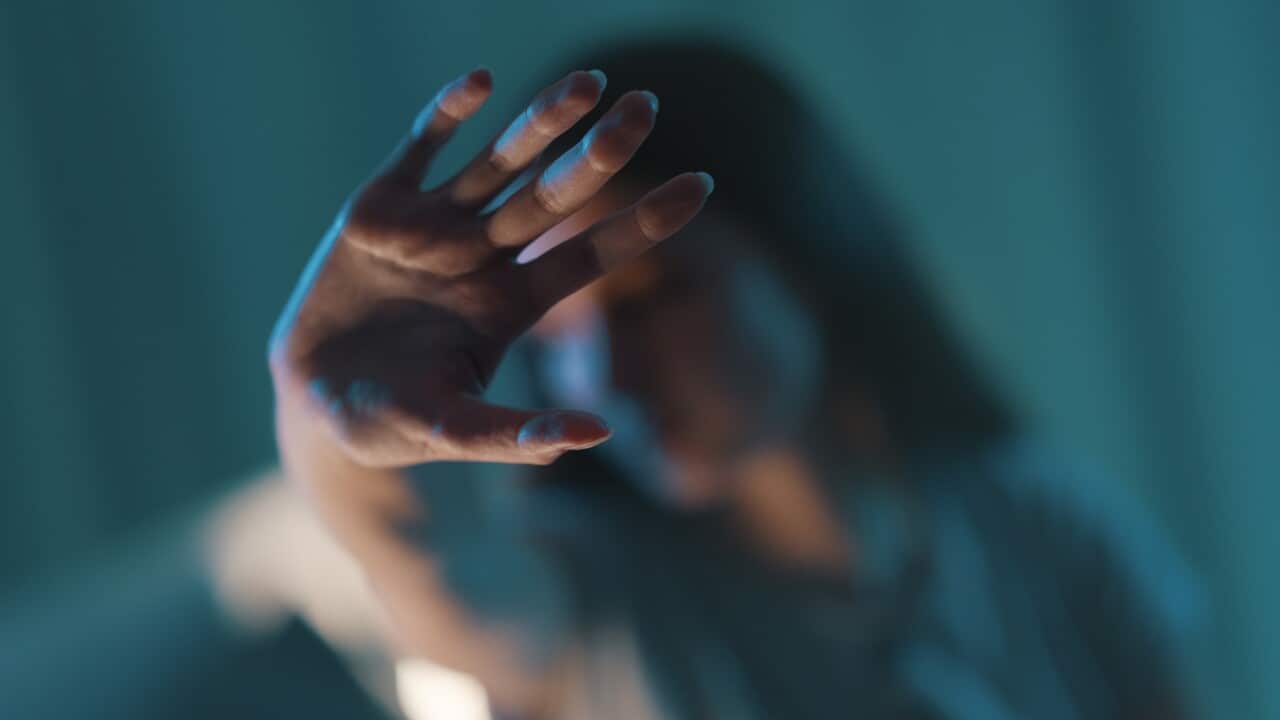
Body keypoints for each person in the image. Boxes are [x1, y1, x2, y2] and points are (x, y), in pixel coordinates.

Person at [269, 36, 1203, 719]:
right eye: (558, 337)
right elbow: (420, 558)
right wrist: (327, 417)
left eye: (651, 297)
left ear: (803, 255)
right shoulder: (587, 598)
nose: (605, 376)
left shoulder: (1041, 529)